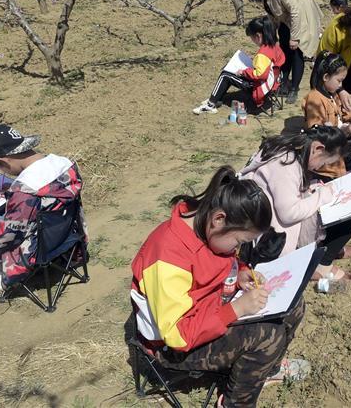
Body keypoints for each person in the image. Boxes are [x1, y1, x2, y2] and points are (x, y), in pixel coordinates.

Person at [129, 166, 309, 407]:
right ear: (219, 219)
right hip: (173, 346)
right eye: (239, 241)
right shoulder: (168, 258)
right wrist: (237, 309)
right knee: (268, 335)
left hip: (209, 311)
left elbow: (223, 258)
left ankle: (266, 370)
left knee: (294, 304)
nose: (237, 248)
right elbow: (178, 336)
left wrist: (240, 270)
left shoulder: (208, 227)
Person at [0, 124, 84, 291]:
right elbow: (46, 198)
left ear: (3, 161)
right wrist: (13, 192)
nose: (5, 173)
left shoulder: (24, 191)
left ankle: (2, 269)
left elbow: (1, 237)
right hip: (67, 236)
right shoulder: (65, 164)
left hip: (35, 251)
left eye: (1, 169)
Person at [239, 127, 351, 282]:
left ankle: (318, 254)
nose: (320, 167)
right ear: (318, 149)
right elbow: (289, 213)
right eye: (323, 162)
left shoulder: (293, 152)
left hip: (267, 220)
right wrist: (321, 195)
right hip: (268, 239)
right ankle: (313, 260)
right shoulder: (285, 165)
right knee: (328, 206)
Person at [241, 0, 322, 104]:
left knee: (297, 51)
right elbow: (272, 13)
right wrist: (273, 37)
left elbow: (295, 11)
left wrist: (295, 37)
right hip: (285, 17)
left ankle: (294, 88)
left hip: (301, 14)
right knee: (284, 49)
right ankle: (283, 83)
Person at [193, 16, 285, 115]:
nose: (252, 41)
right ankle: (217, 99)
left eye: (252, 38)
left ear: (258, 36)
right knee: (229, 73)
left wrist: (244, 72)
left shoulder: (263, 53)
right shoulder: (275, 46)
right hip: (274, 82)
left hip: (260, 87)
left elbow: (260, 75)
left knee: (225, 75)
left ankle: (210, 105)